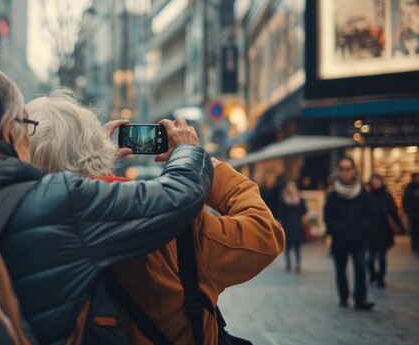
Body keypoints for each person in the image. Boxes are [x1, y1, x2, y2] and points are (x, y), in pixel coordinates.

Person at [0, 64, 214, 345]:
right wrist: (187, 148)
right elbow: (181, 194)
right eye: (25, 124)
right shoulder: (61, 202)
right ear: (10, 131)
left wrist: (92, 148)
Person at [26, 90, 285, 345]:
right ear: (92, 151)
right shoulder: (170, 223)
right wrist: (211, 168)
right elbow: (265, 234)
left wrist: (96, 167)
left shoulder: (18, 223)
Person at [324, 157, 374, 310]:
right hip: (340, 240)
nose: (345, 172)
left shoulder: (362, 193)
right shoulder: (333, 196)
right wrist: (336, 230)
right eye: (342, 169)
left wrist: (364, 228)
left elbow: (369, 213)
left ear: (354, 171)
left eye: (348, 169)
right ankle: (344, 297)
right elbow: (327, 217)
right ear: (338, 171)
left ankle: (360, 299)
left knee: (360, 268)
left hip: (358, 238)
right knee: (341, 270)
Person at [367, 174, 403, 288]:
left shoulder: (387, 196)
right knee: (370, 259)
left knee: (382, 257)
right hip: (371, 232)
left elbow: (394, 212)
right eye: (374, 181)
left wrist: (399, 225)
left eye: (377, 181)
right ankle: (373, 275)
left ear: (381, 182)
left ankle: (380, 279)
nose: (376, 183)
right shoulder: (368, 197)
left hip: (384, 231)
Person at [278, 181, 307, 272]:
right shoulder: (283, 200)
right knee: (288, 247)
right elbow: (280, 213)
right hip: (287, 226)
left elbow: (304, 210)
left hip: (297, 226)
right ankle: (288, 263)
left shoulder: (300, 199)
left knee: (297, 247)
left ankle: (298, 264)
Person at [403, 172, 419, 255]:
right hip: (413, 215)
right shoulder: (409, 188)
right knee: (414, 231)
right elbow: (406, 201)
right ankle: (414, 246)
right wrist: (408, 212)